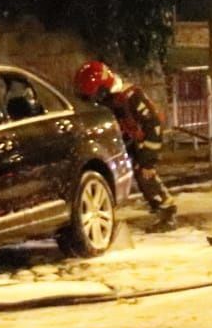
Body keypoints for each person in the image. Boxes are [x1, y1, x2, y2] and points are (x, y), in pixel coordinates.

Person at [73, 60, 178, 229]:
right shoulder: (111, 99)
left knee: (144, 173)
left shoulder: (131, 97)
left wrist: (148, 161)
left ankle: (167, 211)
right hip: (127, 141)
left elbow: (153, 125)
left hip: (144, 141)